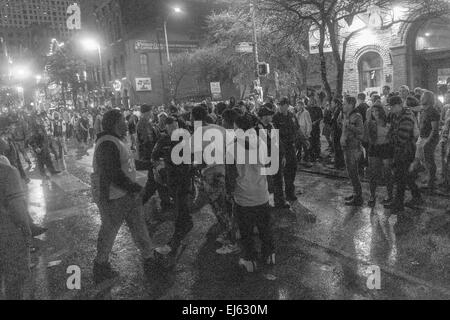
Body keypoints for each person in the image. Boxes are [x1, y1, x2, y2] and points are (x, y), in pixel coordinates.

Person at [91, 109, 167, 284]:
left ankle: (149, 259)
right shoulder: (107, 143)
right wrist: (134, 187)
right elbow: (112, 172)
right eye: (123, 120)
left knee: (139, 227)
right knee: (109, 231)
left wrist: (148, 164)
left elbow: (128, 163)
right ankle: (100, 266)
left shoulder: (116, 140)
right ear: (116, 123)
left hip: (127, 195)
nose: (127, 123)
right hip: (113, 197)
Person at [228, 115, 275, 273]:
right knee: (265, 228)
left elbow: (230, 175)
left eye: (235, 127)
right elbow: (268, 165)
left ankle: (249, 261)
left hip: (243, 198)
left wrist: (229, 192)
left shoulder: (232, 147)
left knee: (246, 232)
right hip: (262, 194)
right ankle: (269, 255)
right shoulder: (261, 143)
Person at [0, 161, 31, 299]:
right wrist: (26, 230)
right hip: (7, 236)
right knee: (14, 281)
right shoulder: (7, 172)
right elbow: (17, 208)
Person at [385, 96, 421, 213]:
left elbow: (402, 138)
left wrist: (390, 137)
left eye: (391, 107)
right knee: (406, 176)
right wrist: (391, 135)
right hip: (400, 150)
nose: (390, 109)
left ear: (398, 105)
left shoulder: (406, 117)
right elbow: (391, 131)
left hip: (406, 150)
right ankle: (416, 196)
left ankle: (398, 204)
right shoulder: (397, 115)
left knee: (400, 177)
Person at [273, 97, 299, 208]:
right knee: (279, 173)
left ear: (287, 105)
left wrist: (303, 140)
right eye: (279, 104)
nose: (280, 106)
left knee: (292, 168)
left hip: (291, 146)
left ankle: (290, 191)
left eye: (282, 105)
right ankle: (280, 197)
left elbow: (297, 129)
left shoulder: (292, 116)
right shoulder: (276, 118)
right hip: (280, 147)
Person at [365, 102, 393, 207]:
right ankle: (372, 195)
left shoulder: (388, 123)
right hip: (374, 149)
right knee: (373, 174)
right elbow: (366, 138)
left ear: (381, 112)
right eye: (373, 111)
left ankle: (390, 196)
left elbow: (391, 137)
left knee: (387, 174)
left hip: (386, 148)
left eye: (377, 111)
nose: (375, 113)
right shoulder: (370, 123)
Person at [341, 96, 365, 206]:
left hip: (353, 148)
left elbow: (361, 131)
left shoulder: (357, 116)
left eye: (345, 103)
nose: (343, 105)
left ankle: (358, 197)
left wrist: (349, 126)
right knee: (351, 173)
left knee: (353, 173)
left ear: (351, 104)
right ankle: (355, 193)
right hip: (347, 147)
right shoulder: (347, 115)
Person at [295, 100, 312, 166]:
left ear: (302, 106)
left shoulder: (306, 113)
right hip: (298, 134)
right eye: (297, 105)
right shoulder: (297, 113)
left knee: (306, 148)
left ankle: (307, 161)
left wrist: (308, 133)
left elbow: (309, 123)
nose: (297, 107)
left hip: (304, 133)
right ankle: (298, 160)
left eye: (299, 105)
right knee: (298, 147)